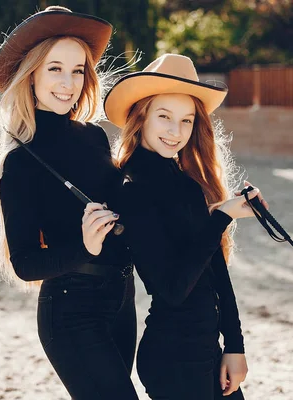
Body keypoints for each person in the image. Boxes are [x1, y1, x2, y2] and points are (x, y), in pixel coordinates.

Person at [0, 6, 138, 399]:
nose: (68, 82)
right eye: (55, 69)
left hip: (123, 299)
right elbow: (27, 264)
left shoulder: (96, 137)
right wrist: (84, 246)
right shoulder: (21, 161)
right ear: (30, 75)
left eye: (78, 69)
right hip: (71, 312)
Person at [105, 54, 269, 399]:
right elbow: (173, 289)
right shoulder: (131, 190)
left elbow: (216, 273)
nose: (175, 131)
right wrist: (221, 218)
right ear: (142, 117)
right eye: (164, 117)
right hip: (172, 358)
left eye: (187, 120)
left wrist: (234, 346)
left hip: (208, 348)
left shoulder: (189, 184)